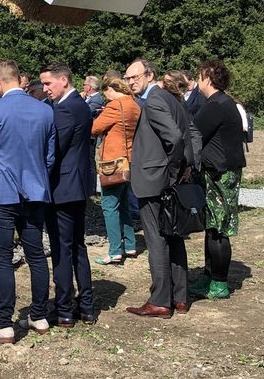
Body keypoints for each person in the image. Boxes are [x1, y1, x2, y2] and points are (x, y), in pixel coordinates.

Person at [0, 60, 56, 344]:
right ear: (19, 79)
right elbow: (50, 156)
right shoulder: (45, 110)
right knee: (36, 255)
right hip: (35, 191)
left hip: (1, 193)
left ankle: (3, 323)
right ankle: (39, 315)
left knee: (3, 258)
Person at [124, 58, 197, 318]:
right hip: (166, 178)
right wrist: (183, 166)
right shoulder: (171, 97)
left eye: (135, 76)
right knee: (174, 236)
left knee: (157, 239)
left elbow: (175, 137)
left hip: (156, 180)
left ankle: (160, 301)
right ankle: (179, 297)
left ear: (149, 74)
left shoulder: (155, 100)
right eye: (128, 78)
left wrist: (173, 169)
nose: (131, 82)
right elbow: (186, 133)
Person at [39, 63, 97, 327]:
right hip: (76, 185)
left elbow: (55, 148)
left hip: (63, 188)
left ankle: (64, 308)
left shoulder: (66, 108)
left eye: (49, 83)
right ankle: (86, 306)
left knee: (62, 249)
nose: (44, 89)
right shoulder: (79, 105)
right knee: (76, 246)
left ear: (64, 80)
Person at [190, 59, 247, 301]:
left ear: (208, 79)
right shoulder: (224, 102)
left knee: (218, 230)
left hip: (219, 173)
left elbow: (194, 132)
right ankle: (209, 274)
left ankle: (219, 283)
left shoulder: (216, 105)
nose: (198, 81)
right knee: (212, 226)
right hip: (221, 170)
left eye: (200, 76)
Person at [91, 77, 141, 264]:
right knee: (124, 205)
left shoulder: (115, 106)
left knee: (109, 206)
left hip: (113, 162)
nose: (107, 98)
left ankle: (114, 251)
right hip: (129, 160)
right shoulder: (135, 105)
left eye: (107, 94)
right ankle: (130, 245)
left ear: (112, 89)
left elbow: (94, 128)